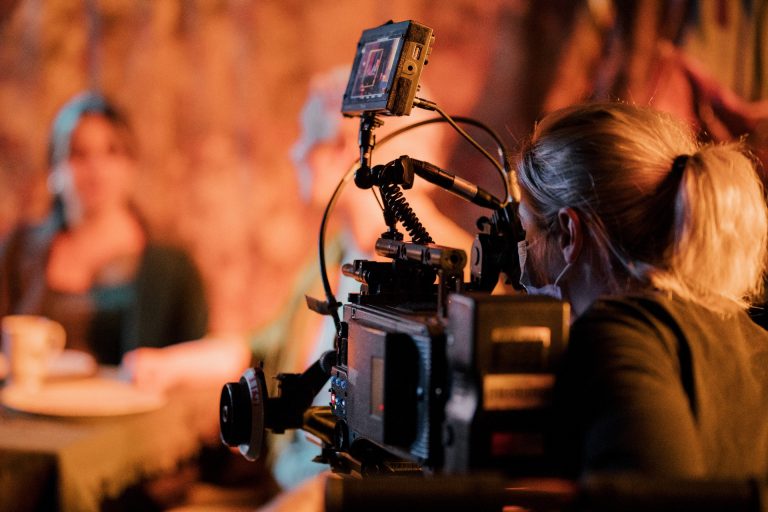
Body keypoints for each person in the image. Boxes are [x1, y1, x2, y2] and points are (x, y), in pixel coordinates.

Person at [514, 101, 768, 478]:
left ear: (569, 233)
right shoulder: (752, 338)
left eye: (527, 231)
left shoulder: (619, 336)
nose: (524, 253)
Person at [251, 66, 474, 492]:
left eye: (307, 138)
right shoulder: (339, 249)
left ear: (346, 149)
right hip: (296, 480)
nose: (294, 153)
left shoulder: (454, 275)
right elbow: (265, 342)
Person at [0, 91, 209, 365]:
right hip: (34, 405)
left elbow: (195, 361)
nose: (96, 168)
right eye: (79, 153)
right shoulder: (19, 251)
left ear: (131, 165)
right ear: (54, 168)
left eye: (112, 151)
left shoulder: (172, 265)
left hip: (136, 407)